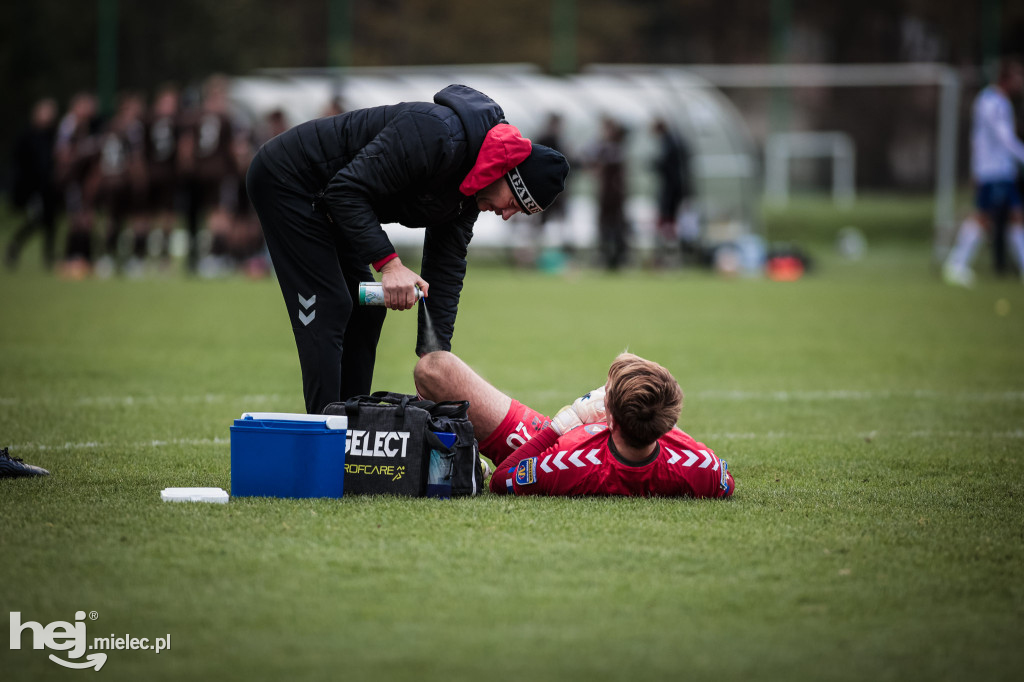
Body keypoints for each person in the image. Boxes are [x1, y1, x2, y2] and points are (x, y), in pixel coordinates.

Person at [246, 84, 570, 414]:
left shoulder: (470, 191)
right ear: (507, 174)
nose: (506, 215)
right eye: (515, 204)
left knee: (368, 310)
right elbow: (345, 192)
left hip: (327, 204)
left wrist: (434, 354)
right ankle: (325, 440)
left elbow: (445, 265)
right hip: (289, 182)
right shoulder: (437, 134)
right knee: (331, 304)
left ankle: (351, 433)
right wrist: (389, 264)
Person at [413, 350, 734, 498]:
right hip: (621, 432)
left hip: (539, 440)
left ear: (610, 418)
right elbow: (723, 477)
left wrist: (562, 425)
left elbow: (502, 479)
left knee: (435, 369)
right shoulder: (700, 469)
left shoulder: (566, 463)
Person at [944, 56, 1024, 286]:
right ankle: (956, 264)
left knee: (1016, 216)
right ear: (1008, 78)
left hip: (1003, 170)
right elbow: (1003, 139)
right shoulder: (992, 102)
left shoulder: (997, 101)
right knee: (983, 218)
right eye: (1018, 76)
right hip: (993, 171)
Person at [5, 98, 60, 271]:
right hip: (32, 188)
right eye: (45, 112)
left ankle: (48, 258)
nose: (49, 116)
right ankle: (15, 246)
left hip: (49, 187)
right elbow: (20, 162)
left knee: (51, 222)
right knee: (36, 220)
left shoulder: (53, 135)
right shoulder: (27, 136)